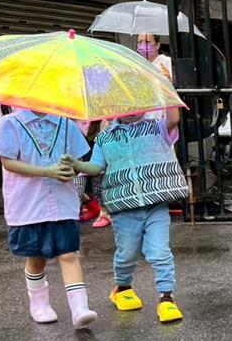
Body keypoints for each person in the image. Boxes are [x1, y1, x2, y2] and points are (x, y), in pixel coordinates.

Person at [64, 106, 188, 323]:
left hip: (156, 204)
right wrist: (76, 164)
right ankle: (122, 288)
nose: (131, 111)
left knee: (160, 252)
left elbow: (174, 118)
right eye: (124, 107)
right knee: (127, 253)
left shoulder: (157, 128)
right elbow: (96, 167)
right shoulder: (104, 137)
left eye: (136, 105)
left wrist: (168, 93)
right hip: (123, 206)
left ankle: (166, 297)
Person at [0, 109, 98, 328]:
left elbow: (77, 162)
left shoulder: (66, 124)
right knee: (36, 257)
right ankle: (39, 304)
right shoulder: (10, 123)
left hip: (63, 204)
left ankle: (80, 307)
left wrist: (70, 169)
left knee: (69, 253)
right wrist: (46, 172)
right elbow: (8, 162)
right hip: (28, 206)